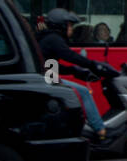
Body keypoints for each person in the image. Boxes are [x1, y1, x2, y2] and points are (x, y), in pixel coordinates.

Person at [36, 9, 108, 143]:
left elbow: (52, 66)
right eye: (69, 25)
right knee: (83, 92)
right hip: (46, 80)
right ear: (61, 25)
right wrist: (93, 65)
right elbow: (70, 56)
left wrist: (74, 71)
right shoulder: (54, 39)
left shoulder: (48, 38)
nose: (71, 29)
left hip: (45, 77)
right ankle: (100, 130)